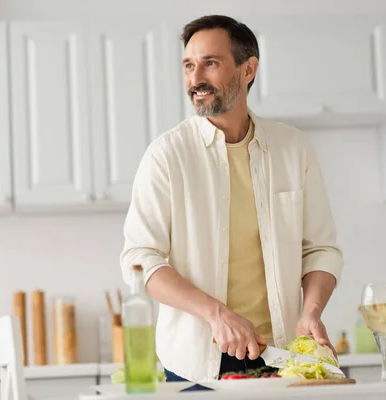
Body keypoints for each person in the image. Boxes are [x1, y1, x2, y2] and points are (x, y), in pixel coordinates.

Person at [119, 14, 343, 384]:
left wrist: (311, 313)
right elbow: (139, 260)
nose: (196, 79)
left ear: (248, 69)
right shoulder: (166, 155)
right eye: (189, 65)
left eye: (211, 63)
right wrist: (216, 314)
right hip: (195, 366)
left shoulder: (293, 149)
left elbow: (321, 249)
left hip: (283, 358)